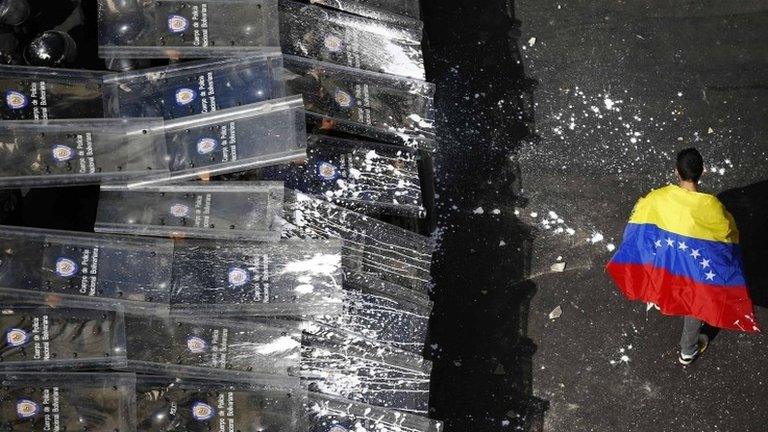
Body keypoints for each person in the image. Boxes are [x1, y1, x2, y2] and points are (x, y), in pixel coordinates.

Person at [607, 148, 759, 366]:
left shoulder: (657, 198)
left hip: (666, 263)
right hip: (693, 270)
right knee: (694, 301)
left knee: (666, 281)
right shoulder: (713, 207)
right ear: (703, 172)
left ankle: (660, 299)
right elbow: (726, 237)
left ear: (676, 172)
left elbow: (639, 226)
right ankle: (687, 350)